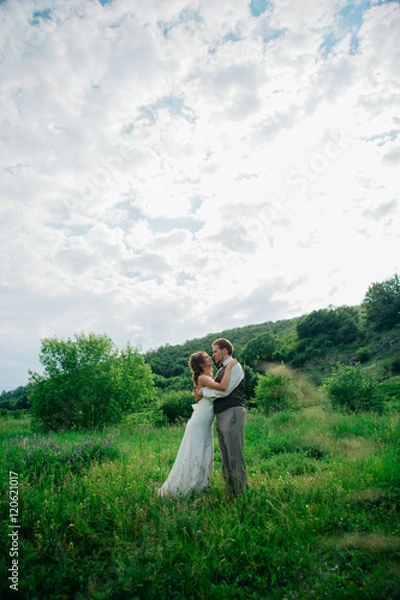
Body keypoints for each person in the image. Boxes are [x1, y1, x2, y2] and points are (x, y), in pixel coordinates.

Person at [158, 351, 237, 497]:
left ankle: (199, 485)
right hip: (199, 422)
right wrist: (231, 366)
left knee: (204, 451)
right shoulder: (203, 378)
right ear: (201, 364)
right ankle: (186, 485)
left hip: (205, 422)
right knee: (194, 452)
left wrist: (202, 394)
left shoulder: (207, 378)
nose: (210, 357)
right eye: (207, 357)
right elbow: (223, 387)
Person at [194, 338, 247, 497]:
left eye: (215, 351)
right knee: (225, 457)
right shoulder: (220, 371)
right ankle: (231, 492)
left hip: (232, 412)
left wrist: (204, 392)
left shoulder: (235, 367)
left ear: (224, 351)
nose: (213, 355)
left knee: (235, 455)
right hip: (222, 415)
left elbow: (225, 391)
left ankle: (240, 494)